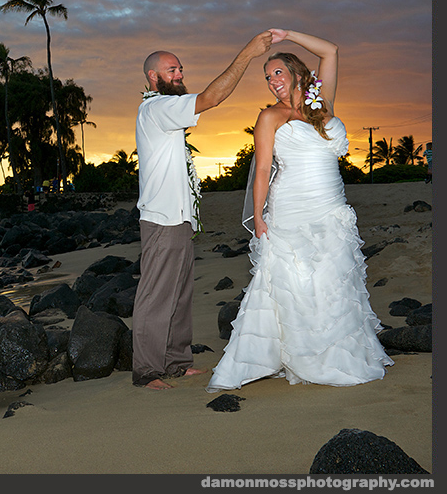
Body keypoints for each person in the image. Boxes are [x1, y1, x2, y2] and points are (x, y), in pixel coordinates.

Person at [207, 29, 393, 392]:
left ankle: (336, 353)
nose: (272, 81)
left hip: (331, 208)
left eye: (277, 72)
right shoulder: (269, 117)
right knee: (295, 282)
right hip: (290, 207)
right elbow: (262, 169)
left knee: (332, 280)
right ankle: (299, 354)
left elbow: (332, 50)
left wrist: (287, 35)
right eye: (267, 77)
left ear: (296, 73)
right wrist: (259, 216)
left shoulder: (320, 106)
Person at [133, 31, 273, 390]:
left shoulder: (166, 111)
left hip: (179, 216)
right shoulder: (156, 108)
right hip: (161, 218)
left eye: (180, 68)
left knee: (180, 291)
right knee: (156, 293)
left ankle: (177, 361)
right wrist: (248, 53)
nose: (179, 74)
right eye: (172, 69)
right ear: (154, 77)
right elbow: (211, 97)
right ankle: (147, 370)